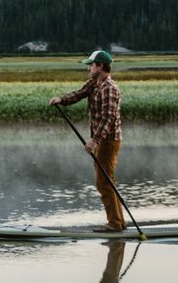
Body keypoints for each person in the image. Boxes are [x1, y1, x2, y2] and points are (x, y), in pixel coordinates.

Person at [50, 49, 124, 232]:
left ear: (100, 66)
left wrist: (94, 141)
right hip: (101, 139)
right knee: (106, 181)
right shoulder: (94, 83)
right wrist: (61, 99)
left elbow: (109, 118)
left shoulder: (110, 88)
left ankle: (115, 224)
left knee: (104, 182)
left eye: (91, 65)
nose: (88, 68)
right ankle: (118, 222)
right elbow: (79, 94)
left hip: (109, 140)